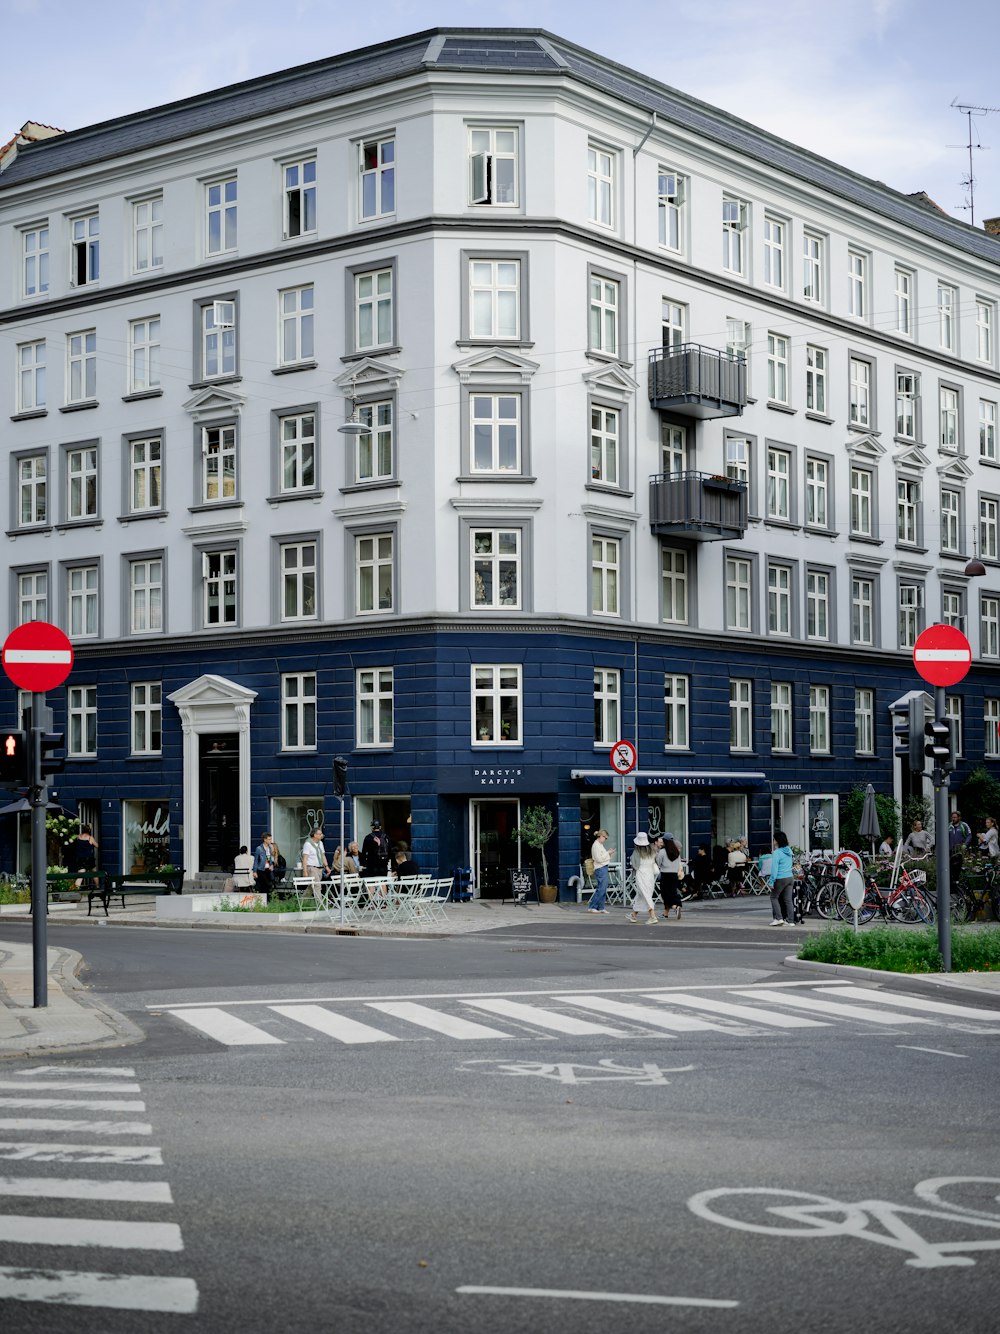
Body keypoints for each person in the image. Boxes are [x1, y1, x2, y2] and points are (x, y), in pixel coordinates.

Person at [628, 832, 658, 924]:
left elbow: (635, 866)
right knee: (642, 894)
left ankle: (653, 916)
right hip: (650, 874)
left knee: (645, 894)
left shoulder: (636, 852)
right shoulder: (652, 850)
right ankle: (634, 915)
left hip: (641, 874)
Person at [768, 831, 795, 925]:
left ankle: (778, 918)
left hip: (780, 878)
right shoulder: (789, 850)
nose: (773, 841)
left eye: (774, 839)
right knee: (788, 900)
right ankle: (790, 921)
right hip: (790, 877)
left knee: (773, 897)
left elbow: (774, 868)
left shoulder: (777, 853)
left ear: (777, 841)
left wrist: (771, 881)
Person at [657, 833, 685, 920]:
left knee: (665, 894)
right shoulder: (676, 852)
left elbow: (658, 863)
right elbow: (678, 864)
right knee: (672, 893)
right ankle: (665, 914)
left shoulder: (662, 852)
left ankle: (675, 907)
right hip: (674, 875)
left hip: (665, 874)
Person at [588, 828, 614, 914]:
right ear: (601, 836)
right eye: (605, 838)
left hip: (603, 867)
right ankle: (592, 906)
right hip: (600, 868)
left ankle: (601, 907)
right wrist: (608, 853)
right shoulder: (596, 845)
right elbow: (598, 859)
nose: (605, 840)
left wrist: (608, 853)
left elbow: (602, 857)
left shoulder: (599, 845)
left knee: (603, 888)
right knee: (601, 888)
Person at [68, 823, 99, 889]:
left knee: (80, 876)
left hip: (80, 859)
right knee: (94, 874)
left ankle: (75, 889)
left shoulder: (78, 837)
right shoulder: (90, 838)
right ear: (89, 831)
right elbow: (97, 846)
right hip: (89, 859)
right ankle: (98, 887)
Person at [301, 827, 330, 892]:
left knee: (312, 886)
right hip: (311, 868)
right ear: (315, 835)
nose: (322, 835)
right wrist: (305, 871)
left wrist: (326, 867)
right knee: (317, 886)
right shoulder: (308, 844)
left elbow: (323, 856)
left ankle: (302, 900)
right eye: (320, 834)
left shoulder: (320, 843)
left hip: (319, 868)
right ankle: (320, 902)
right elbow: (305, 858)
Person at [949, 809, 972, 878]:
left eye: (955, 817)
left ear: (959, 818)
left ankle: (958, 881)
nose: (953, 819)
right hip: (951, 850)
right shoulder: (949, 826)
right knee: (950, 868)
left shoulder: (964, 825)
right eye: (952, 817)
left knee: (958, 868)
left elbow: (969, 835)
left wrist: (965, 844)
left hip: (960, 850)